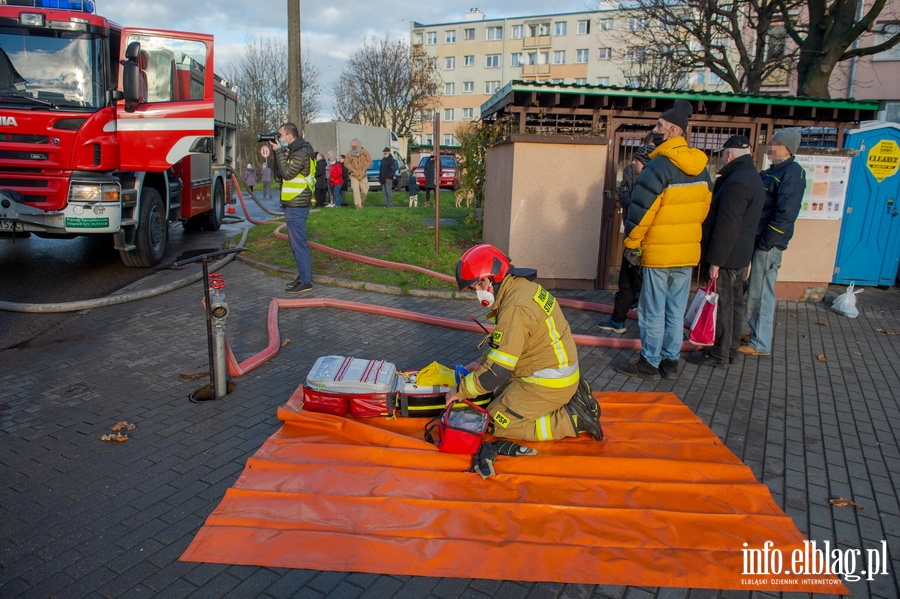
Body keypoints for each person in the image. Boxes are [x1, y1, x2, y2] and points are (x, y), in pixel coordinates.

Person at [444, 244, 603, 442]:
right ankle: (568, 401)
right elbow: (509, 344)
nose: (478, 294)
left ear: (492, 277)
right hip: (542, 372)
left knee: (494, 422)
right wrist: (482, 362)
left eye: (479, 285)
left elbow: (498, 371)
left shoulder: (515, 307)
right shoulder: (521, 288)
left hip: (546, 383)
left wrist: (461, 390)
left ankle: (571, 419)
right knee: (494, 400)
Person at [615, 100, 713, 382]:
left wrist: (632, 243)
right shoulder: (701, 168)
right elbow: (705, 207)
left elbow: (642, 210)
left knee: (653, 309)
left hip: (659, 252)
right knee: (675, 308)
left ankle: (649, 361)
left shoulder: (659, 166)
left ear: (672, 131)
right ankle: (671, 361)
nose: (654, 129)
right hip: (686, 252)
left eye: (659, 125)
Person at [687, 135, 765, 367]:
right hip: (741, 255)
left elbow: (727, 224)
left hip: (728, 256)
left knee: (721, 304)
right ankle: (730, 350)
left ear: (729, 155)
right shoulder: (753, 178)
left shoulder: (737, 181)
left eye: (722, 154)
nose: (721, 159)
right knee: (734, 305)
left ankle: (718, 353)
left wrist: (715, 261)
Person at [741, 128, 807, 357]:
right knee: (754, 290)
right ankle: (756, 333)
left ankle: (760, 343)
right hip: (760, 239)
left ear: (786, 148)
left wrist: (768, 241)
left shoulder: (792, 173)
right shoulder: (773, 171)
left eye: (774, 143)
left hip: (768, 244)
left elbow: (786, 213)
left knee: (761, 293)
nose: (769, 147)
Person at [597, 144, 654, 334]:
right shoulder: (649, 179)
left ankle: (631, 324)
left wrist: (634, 242)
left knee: (634, 283)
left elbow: (643, 216)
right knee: (630, 282)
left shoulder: (649, 185)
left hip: (640, 243)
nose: (632, 163)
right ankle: (619, 320)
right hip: (637, 240)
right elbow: (623, 193)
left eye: (636, 160)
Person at [270, 122, 316, 294]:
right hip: (293, 204)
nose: (279, 138)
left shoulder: (302, 153)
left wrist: (278, 152)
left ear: (289, 136)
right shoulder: (297, 151)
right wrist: (280, 154)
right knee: (295, 245)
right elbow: (279, 174)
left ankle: (306, 281)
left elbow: (287, 173)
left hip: (297, 205)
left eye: (280, 135)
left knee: (299, 245)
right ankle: (303, 277)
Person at [345, 138, 372, 209]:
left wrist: (364, 169)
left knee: (365, 191)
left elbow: (369, 161)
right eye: (352, 146)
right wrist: (353, 170)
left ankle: (361, 201)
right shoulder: (349, 153)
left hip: (363, 175)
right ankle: (358, 205)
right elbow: (346, 163)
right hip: (354, 175)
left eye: (354, 145)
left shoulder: (364, 152)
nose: (353, 147)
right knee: (355, 190)